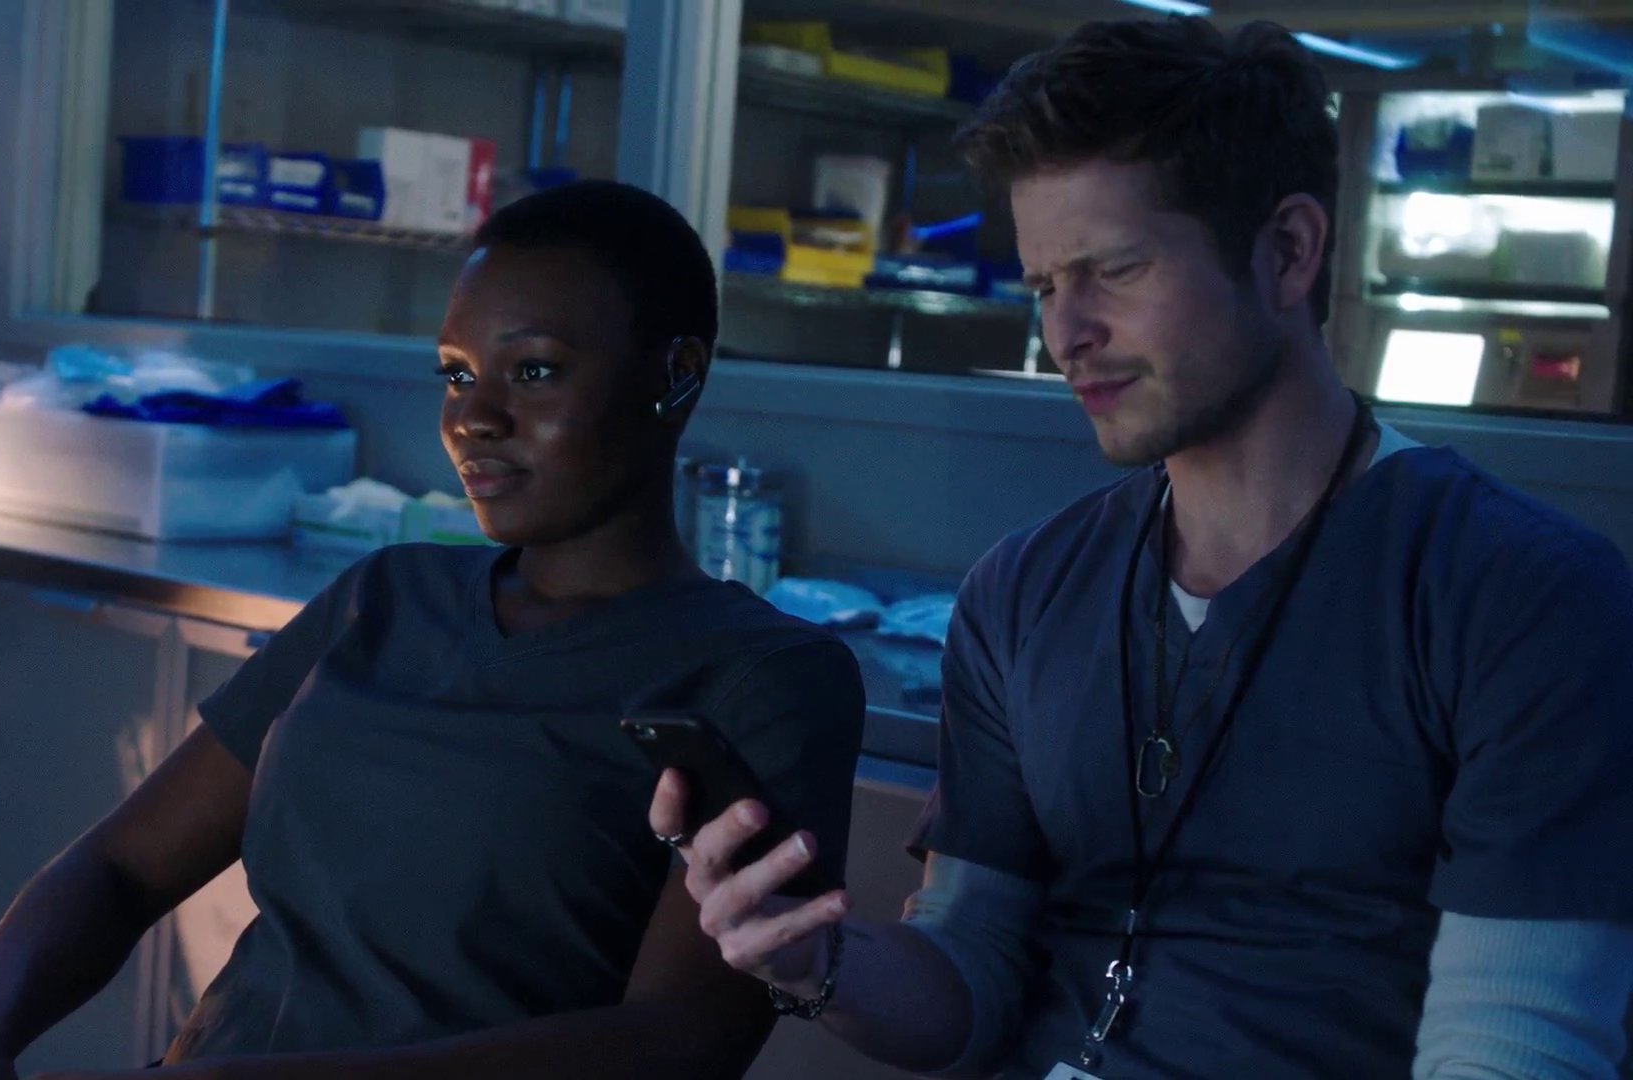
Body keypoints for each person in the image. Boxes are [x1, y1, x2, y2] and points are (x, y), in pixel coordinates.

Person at [656, 17, 1633, 1079]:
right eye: (1044, 286)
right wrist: (816, 958)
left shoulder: (1520, 597)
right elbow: (968, 976)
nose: (1063, 335)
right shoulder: (1026, 591)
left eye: (1113, 271)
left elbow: (1516, 1046)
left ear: (1288, 251)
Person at [0, 181, 866, 1080]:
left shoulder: (763, 676)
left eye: (534, 371)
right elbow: (122, 867)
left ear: (677, 374)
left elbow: (680, 1042)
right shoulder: (387, 597)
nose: (474, 418)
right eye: (457, 375)